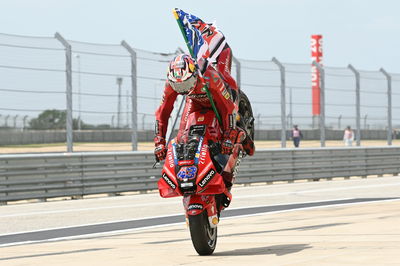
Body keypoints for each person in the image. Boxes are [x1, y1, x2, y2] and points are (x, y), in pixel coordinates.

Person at [154, 54, 254, 191]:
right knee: (182, 137)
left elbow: (227, 108)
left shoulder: (210, 77)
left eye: (186, 83)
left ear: (194, 74)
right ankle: (192, 175)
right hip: (194, 101)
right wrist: (159, 142)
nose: (182, 89)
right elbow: (162, 113)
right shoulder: (172, 83)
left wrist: (229, 135)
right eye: (178, 86)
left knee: (230, 135)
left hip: (221, 99)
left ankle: (241, 141)